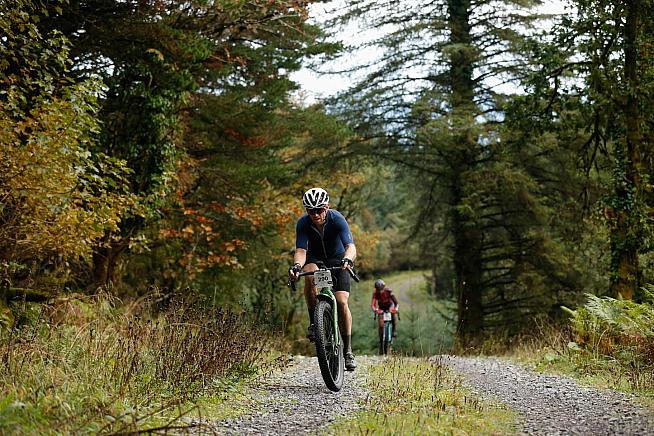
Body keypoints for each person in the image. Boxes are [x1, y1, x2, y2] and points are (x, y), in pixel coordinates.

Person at [288, 187, 358, 371]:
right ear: (306, 210)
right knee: (310, 275)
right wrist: (296, 266)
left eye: (319, 210)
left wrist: (347, 259)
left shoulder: (337, 219)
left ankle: (348, 350)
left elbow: (350, 246)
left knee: (342, 302)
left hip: (338, 259)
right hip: (315, 259)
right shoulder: (303, 223)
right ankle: (314, 322)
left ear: (326, 207)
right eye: (311, 211)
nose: (315, 214)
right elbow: (301, 251)